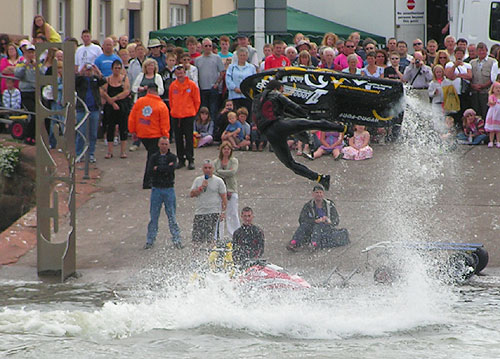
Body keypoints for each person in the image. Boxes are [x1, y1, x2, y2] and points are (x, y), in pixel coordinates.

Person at [253, 80, 346, 191]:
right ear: (277, 89)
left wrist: (278, 76)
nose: (282, 92)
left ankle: (321, 179)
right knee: (311, 124)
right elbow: (290, 105)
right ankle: (343, 128)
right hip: (278, 126)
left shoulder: (256, 100)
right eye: (282, 90)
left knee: (290, 164)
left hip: (271, 136)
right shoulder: (275, 93)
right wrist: (305, 114)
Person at [128, 83, 170, 189]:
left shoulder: (139, 102)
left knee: (151, 156)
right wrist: (165, 137)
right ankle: (148, 181)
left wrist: (133, 131)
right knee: (152, 158)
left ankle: (151, 180)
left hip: (142, 134)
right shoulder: (161, 105)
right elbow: (164, 124)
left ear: (148, 91)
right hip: (155, 135)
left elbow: (132, 118)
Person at [144, 137, 183, 250]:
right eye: (162, 144)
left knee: (172, 215)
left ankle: (177, 239)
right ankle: (150, 240)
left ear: (169, 145)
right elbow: (150, 170)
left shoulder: (172, 157)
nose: (164, 146)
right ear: (158, 144)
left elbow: (171, 169)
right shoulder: (154, 157)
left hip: (168, 188)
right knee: (154, 216)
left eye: (166, 144)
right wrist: (165, 168)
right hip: (156, 189)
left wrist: (159, 168)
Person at [287, 184, 349, 251]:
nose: (319, 195)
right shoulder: (308, 205)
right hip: (312, 227)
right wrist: (314, 221)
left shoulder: (329, 205)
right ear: (313, 194)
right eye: (317, 192)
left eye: (320, 192)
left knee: (319, 226)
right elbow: (301, 219)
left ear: (323, 194)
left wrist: (329, 221)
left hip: (326, 228)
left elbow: (336, 220)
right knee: (303, 226)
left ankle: (314, 244)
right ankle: (294, 242)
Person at [169, 64, 201, 170]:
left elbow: (197, 100)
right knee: (178, 139)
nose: (180, 74)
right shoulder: (173, 86)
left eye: (181, 72)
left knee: (189, 138)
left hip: (188, 115)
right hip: (176, 116)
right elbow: (171, 100)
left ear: (185, 72)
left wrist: (193, 112)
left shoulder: (191, 85)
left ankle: (190, 159)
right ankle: (181, 159)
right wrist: (174, 111)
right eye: (177, 72)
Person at [190, 159, 227, 245]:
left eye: (209, 168)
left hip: (214, 212)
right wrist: (201, 188)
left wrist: (223, 212)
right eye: (205, 168)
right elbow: (191, 194)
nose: (207, 170)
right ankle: (196, 255)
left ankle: (211, 255)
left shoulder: (219, 181)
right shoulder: (198, 180)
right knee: (197, 239)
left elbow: (224, 197)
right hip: (200, 212)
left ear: (213, 169)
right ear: (202, 169)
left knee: (212, 239)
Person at [75, 63, 106, 162]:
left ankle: (91, 154)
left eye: (89, 70)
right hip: (82, 109)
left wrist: (97, 71)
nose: (88, 72)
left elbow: (103, 81)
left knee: (93, 133)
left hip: (94, 109)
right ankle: (79, 153)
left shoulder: (95, 79)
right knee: (81, 132)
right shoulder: (80, 80)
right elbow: (73, 83)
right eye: (87, 70)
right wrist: (81, 72)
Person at [101, 60, 130, 159]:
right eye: (115, 68)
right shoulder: (108, 79)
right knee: (110, 128)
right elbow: (102, 91)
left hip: (122, 105)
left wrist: (115, 98)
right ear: (112, 69)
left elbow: (126, 91)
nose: (117, 70)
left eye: (119, 68)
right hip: (110, 106)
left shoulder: (124, 79)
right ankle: (110, 151)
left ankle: (123, 151)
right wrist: (111, 102)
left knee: (123, 128)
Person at [195, 38, 225, 122]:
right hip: (202, 88)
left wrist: (217, 84)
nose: (208, 47)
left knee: (213, 110)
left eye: (210, 46)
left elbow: (222, 72)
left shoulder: (217, 58)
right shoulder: (197, 60)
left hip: (213, 88)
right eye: (206, 46)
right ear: (202, 47)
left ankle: (213, 130)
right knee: (203, 111)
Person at [214, 141, 240, 236]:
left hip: (231, 190)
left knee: (232, 213)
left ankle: (234, 234)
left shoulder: (234, 161)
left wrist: (219, 171)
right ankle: (218, 236)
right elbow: (214, 173)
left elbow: (232, 172)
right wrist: (225, 172)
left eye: (228, 149)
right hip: (219, 191)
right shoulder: (216, 161)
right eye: (224, 149)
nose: (226, 151)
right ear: (221, 150)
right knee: (219, 214)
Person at [14, 44, 37, 145]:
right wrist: (25, 65)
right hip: (26, 92)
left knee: (37, 114)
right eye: (29, 52)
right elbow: (17, 74)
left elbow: (43, 73)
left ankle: (33, 136)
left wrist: (36, 66)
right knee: (33, 113)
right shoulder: (21, 62)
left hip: (36, 91)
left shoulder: (38, 63)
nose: (31, 54)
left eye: (32, 52)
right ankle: (28, 135)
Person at [225, 47, 256, 112]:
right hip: (234, 96)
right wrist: (235, 88)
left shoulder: (251, 67)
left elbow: (254, 80)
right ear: (238, 56)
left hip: (247, 96)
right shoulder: (231, 67)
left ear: (247, 56)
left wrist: (245, 89)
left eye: (244, 55)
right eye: (241, 55)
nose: (242, 57)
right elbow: (228, 79)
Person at [470, 42, 495, 119]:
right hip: (475, 92)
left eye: (483, 50)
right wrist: (473, 86)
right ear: (476, 52)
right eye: (479, 50)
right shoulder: (472, 62)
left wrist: (484, 85)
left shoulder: (492, 62)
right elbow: (469, 76)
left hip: (486, 92)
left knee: (485, 113)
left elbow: (493, 77)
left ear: (486, 51)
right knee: (475, 113)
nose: (481, 52)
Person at [484, 81, 500, 147]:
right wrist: (492, 102)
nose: (498, 89)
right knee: (492, 130)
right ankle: (491, 141)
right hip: (493, 114)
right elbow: (490, 101)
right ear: (493, 89)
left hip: (499, 115)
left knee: (498, 130)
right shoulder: (492, 96)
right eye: (496, 88)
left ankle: (498, 141)